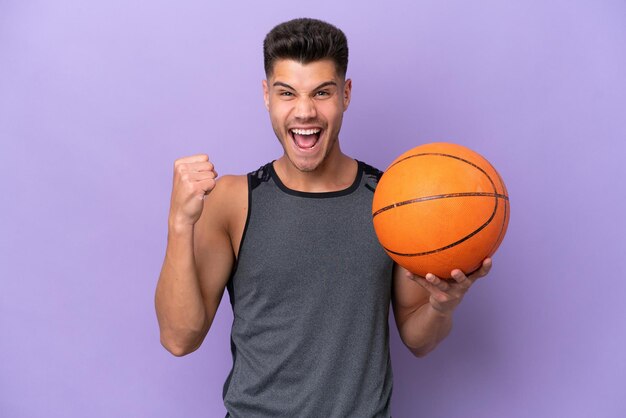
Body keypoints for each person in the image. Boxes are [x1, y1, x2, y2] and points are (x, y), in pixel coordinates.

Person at [154, 17, 492, 417]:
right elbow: (179, 338)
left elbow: (418, 340)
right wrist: (179, 223)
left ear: (345, 94)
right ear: (266, 95)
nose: (304, 112)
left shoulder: (391, 202)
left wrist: (441, 306)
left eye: (322, 92)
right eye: (287, 93)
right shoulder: (233, 200)